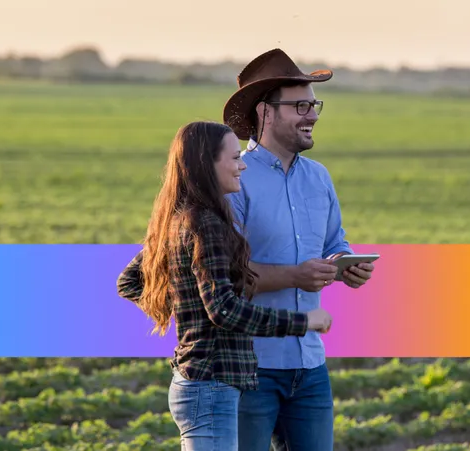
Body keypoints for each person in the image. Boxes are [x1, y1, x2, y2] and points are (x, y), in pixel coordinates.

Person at [115, 120, 334, 451]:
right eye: (234, 158)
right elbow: (225, 310)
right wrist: (304, 322)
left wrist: (189, 308)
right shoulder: (208, 226)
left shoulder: (178, 218)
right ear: (207, 163)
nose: (242, 165)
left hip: (195, 381)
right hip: (211, 385)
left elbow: (129, 282)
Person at [222, 48, 375, 451]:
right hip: (250, 366)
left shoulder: (319, 177)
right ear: (265, 112)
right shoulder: (235, 178)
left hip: (310, 365)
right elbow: (225, 275)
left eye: (314, 104)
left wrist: (346, 265)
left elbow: (334, 244)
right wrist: (296, 276)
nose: (313, 114)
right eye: (301, 105)